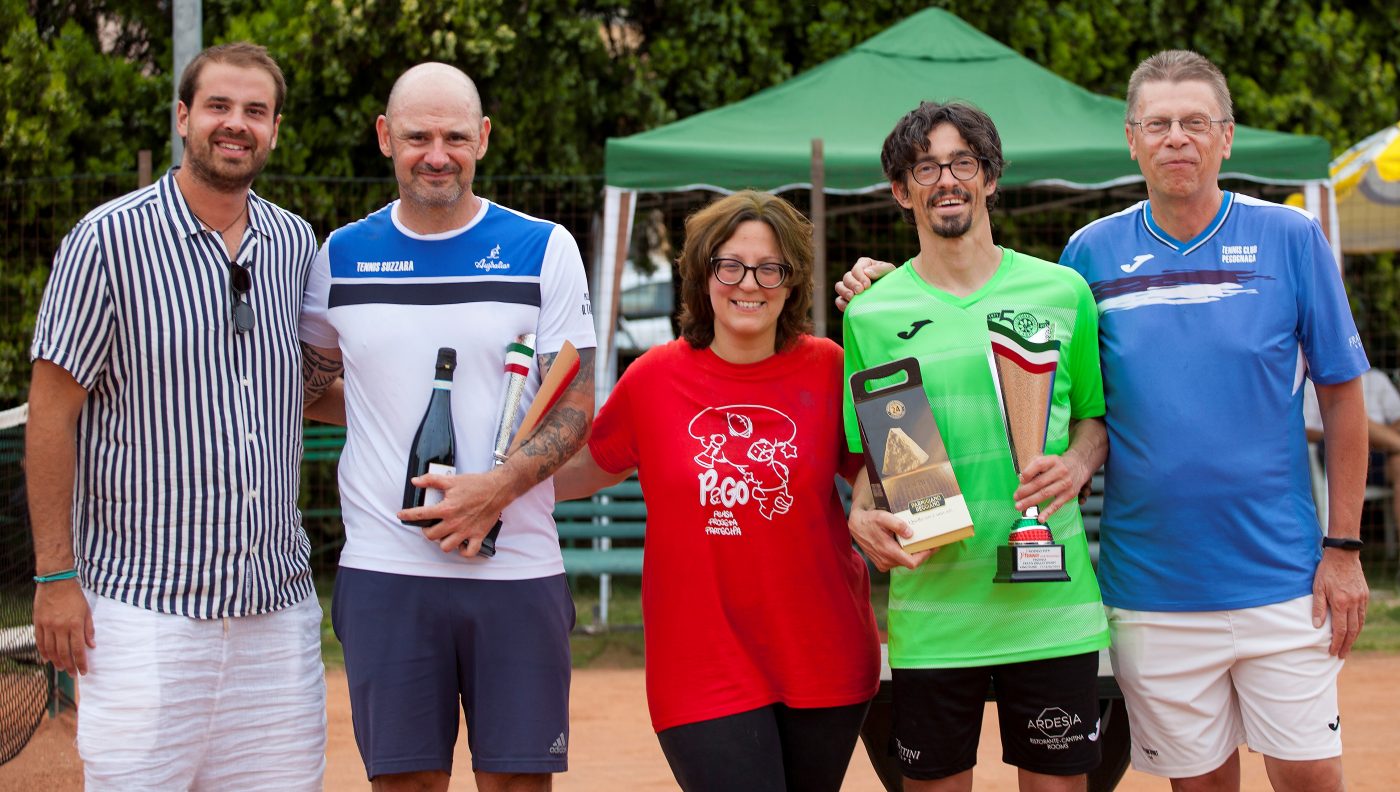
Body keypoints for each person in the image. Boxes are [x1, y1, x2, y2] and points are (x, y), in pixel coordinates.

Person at [837, 52, 1371, 792]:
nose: (1176, 138)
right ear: (1131, 138)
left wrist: (1342, 546)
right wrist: (879, 284)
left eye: (1194, 122)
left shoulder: (1267, 240)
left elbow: (1100, 414)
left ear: (1226, 135)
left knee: (1311, 775)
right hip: (1097, 590)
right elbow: (888, 447)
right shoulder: (1072, 262)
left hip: (1241, 579)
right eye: (1158, 123)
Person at [26, 43, 326, 790]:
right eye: (219, 107)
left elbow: (314, 385)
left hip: (275, 613)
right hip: (143, 614)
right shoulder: (107, 240)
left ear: (275, 130)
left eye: (255, 111)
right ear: (184, 117)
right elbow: (52, 410)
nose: (236, 125)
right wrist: (55, 574)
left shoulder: (293, 242)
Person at [299, 62, 595, 792]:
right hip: (385, 572)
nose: (437, 153)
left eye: (456, 136)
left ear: (484, 139)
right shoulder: (338, 255)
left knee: (516, 785)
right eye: (418, 135)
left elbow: (576, 400)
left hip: (517, 567)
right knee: (406, 785)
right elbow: (310, 385)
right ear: (384, 138)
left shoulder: (544, 247)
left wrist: (495, 488)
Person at [554, 190, 880, 792]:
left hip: (824, 653)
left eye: (769, 267)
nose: (747, 282)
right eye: (729, 264)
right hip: (699, 663)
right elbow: (585, 467)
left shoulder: (830, 367)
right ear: (703, 276)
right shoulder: (653, 379)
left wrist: (894, 309)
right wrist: (492, 487)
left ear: (791, 283)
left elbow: (884, 469)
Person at [841, 101, 1110, 792]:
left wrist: (1078, 463)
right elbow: (881, 456)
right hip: (935, 612)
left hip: (1053, 608)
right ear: (902, 191)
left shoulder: (1063, 291)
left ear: (990, 178)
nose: (946, 179)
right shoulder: (872, 314)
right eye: (924, 167)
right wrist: (861, 514)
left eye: (962, 162)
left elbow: (1094, 419)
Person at [1305, 369, 1400, 534]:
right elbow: (1305, 429)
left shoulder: (1377, 378)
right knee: (1356, 420)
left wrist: (1379, 437)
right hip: (1337, 453)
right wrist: (1341, 435)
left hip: (1380, 453)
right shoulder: (1313, 383)